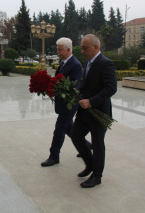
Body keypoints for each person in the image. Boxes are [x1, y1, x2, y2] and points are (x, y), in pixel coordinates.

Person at [71, 34, 117, 188]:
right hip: (84, 112)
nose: (82, 51)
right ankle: (90, 164)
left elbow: (111, 88)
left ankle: (97, 176)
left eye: (85, 48)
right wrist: (76, 89)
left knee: (97, 144)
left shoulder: (106, 63)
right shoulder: (88, 62)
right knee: (76, 136)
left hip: (99, 112)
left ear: (96, 47)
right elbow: (85, 82)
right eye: (82, 48)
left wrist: (91, 101)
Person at [41, 37, 91, 167]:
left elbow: (76, 85)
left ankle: (54, 156)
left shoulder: (75, 64)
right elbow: (59, 80)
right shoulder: (64, 63)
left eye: (60, 50)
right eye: (57, 49)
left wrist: (56, 88)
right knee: (69, 128)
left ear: (68, 50)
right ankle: (86, 146)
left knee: (59, 129)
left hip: (69, 103)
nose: (58, 52)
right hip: (62, 102)